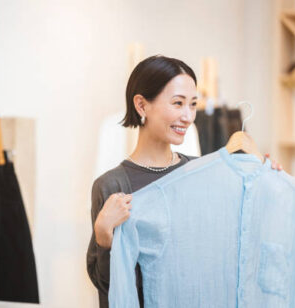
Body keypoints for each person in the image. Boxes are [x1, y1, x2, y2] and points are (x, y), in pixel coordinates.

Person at [86, 55, 283, 308]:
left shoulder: (202, 173)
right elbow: (108, 288)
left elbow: (239, 242)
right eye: (178, 103)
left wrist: (269, 184)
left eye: (192, 104)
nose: (188, 116)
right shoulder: (112, 185)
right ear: (141, 105)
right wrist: (104, 236)